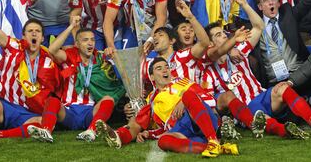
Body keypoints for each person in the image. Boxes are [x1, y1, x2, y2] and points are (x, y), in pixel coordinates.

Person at [202, 0, 311, 138]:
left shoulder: (240, 51)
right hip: (246, 109)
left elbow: (258, 27)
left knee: (283, 88)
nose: (224, 35)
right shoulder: (209, 72)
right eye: (219, 35)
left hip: (262, 95)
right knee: (260, 116)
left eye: (224, 33)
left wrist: (244, 4)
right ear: (210, 43)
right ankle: (286, 132)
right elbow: (213, 103)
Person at [96, 58, 239, 158]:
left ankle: (213, 139)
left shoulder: (183, 82)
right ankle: (119, 136)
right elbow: (153, 125)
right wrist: (148, 134)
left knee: (189, 95)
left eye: (166, 67)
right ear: (152, 77)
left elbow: (208, 99)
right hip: (180, 128)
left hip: (200, 118)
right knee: (163, 141)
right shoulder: (150, 99)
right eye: (159, 68)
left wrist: (184, 101)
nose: (165, 70)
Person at [0, 7, 60, 146]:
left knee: (39, 123)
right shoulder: (13, 46)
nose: (34, 34)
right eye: (30, 31)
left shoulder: (48, 60)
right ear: (23, 36)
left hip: (29, 112)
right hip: (7, 106)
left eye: (37, 31)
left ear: (42, 38)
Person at [26, 16, 125, 143]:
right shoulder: (69, 56)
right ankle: (46, 131)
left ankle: (91, 131)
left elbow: (115, 78)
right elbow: (52, 50)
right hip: (68, 111)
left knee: (108, 100)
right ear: (77, 44)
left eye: (92, 40)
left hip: (89, 112)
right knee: (52, 101)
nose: (90, 43)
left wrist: (111, 56)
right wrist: (71, 27)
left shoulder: (99, 59)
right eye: (85, 40)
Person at [253, 0, 311, 87]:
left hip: (298, 74)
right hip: (273, 82)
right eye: (265, 0)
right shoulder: (254, 26)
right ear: (260, 6)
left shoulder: (289, 13)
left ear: (278, 3)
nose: (271, 2)